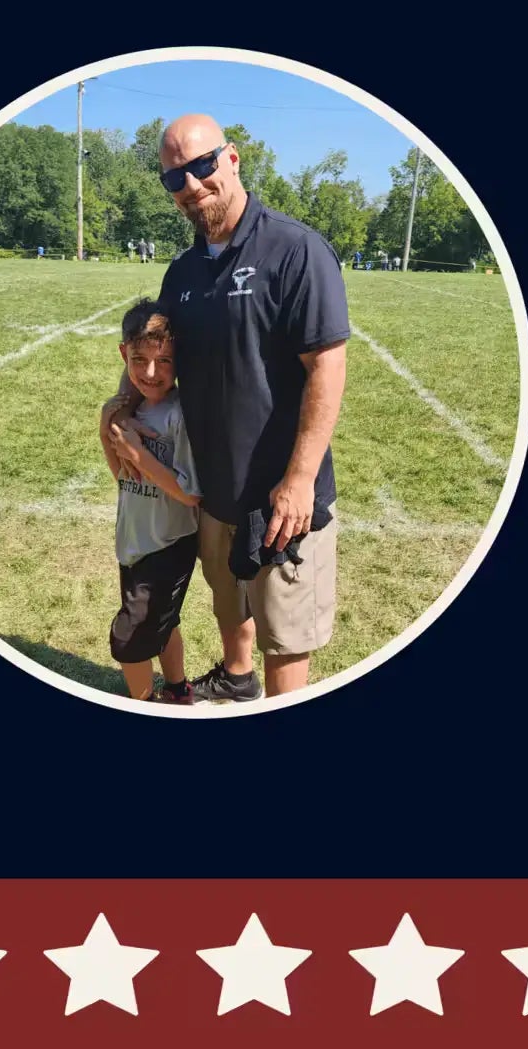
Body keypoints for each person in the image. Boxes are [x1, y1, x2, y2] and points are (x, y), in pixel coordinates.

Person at [100, 114, 350, 701]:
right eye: (174, 178)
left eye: (202, 165)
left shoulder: (295, 249)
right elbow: (154, 352)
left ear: (232, 158)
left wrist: (299, 479)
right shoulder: (183, 271)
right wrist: (121, 403)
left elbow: (328, 369)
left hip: (282, 498)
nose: (191, 185)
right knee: (226, 596)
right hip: (212, 491)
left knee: (285, 635)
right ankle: (237, 681)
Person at [102, 299, 201, 703]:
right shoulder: (131, 407)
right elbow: (123, 478)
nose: (150, 372)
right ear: (124, 353)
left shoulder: (180, 414)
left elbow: (191, 493)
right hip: (134, 541)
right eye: (139, 359)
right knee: (163, 621)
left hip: (169, 542)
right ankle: (177, 689)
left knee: (129, 637)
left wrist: (137, 450)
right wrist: (106, 426)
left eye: (164, 361)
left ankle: (145, 705)